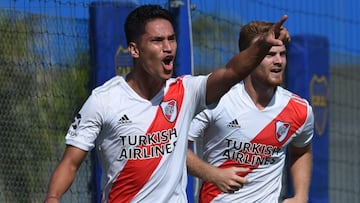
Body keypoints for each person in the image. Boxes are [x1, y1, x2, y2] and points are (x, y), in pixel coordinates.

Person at [44, 4, 290, 203]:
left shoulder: (186, 91)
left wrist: (262, 46)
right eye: (157, 41)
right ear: (134, 50)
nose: (167, 48)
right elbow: (71, 162)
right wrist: (53, 197)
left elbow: (232, 71)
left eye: (171, 39)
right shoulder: (104, 99)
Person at [187, 21, 313, 203]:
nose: (278, 61)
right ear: (250, 58)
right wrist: (214, 175)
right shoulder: (217, 99)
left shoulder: (299, 109)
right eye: (269, 54)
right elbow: (176, 148)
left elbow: (301, 151)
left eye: (282, 54)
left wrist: (301, 195)